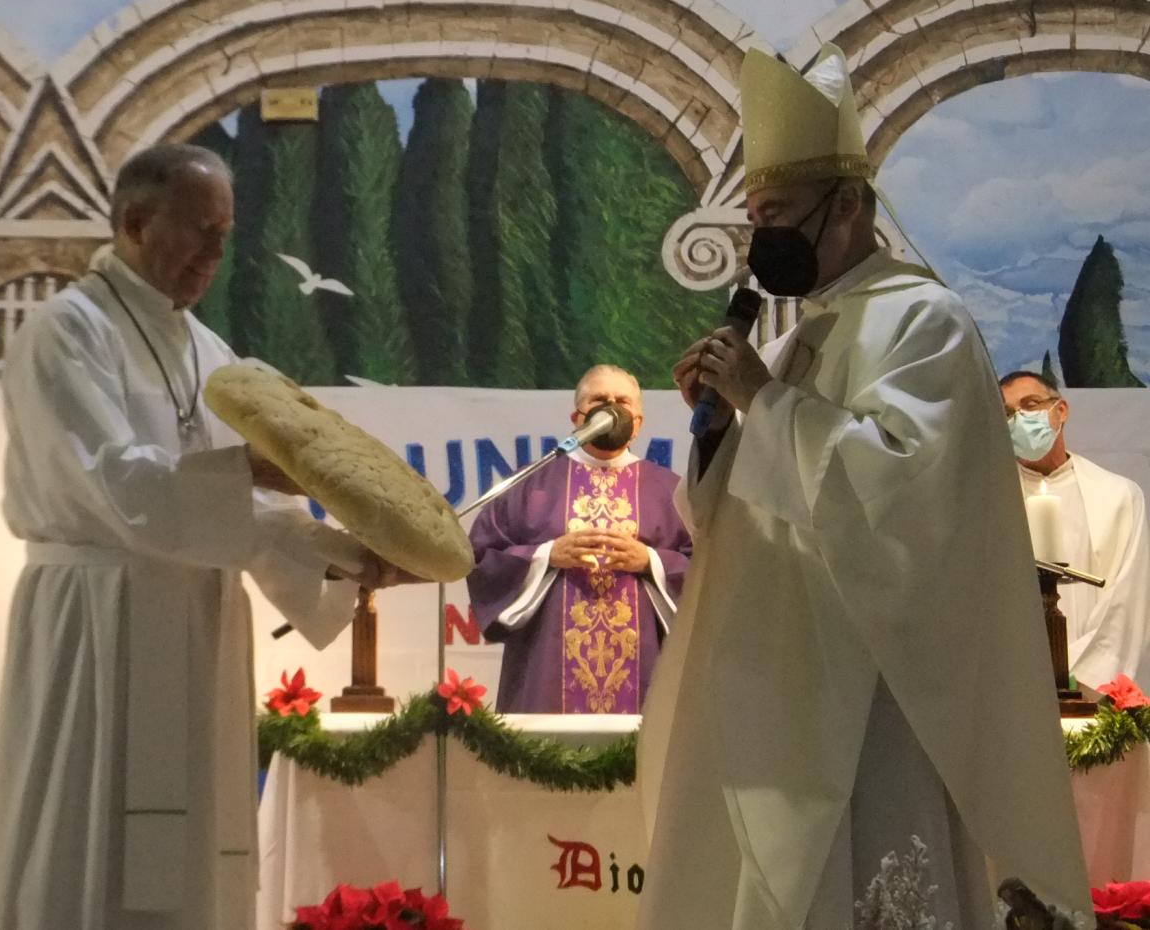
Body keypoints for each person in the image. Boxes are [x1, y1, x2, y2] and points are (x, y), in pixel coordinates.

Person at [636, 45, 1090, 929]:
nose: (763, 236)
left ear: (845, 204)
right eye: (755, 215)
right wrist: (726, 431)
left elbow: (901, 496)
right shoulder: (810, 331)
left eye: (776, 213)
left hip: (874, 690)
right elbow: (737, 513)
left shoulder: (925, 321)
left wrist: (763, 401)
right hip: (777, 684)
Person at [0, 143, 400, 930]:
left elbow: (247, 516)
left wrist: (352, 558)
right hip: (99, 620)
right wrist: (250, 470)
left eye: (225, 235)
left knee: (193, 857)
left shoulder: (207, 349)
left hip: (196, 619)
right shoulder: (69, 330)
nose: (215, 253)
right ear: (135, 221)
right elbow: (117, 485)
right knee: (83, 846)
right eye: (201, 230)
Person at [465, 365, 690, 713]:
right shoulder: (532, 484)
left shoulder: (671, 491)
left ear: (639, 422)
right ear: (578, 416)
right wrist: (546, 556)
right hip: (546, 672)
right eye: (600, 400)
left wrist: (651, 562)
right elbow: (480, 558)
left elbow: (708, 566)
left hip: (645, 670)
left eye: (622, 402)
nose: (612, 409)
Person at [1002, 369, 1150, 690]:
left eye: (1030, 405)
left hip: (1092, 693)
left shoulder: (1119, 497)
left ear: (1061, 411)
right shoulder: (991, 501)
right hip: (1011, 687)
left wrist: (1069, 678)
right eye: (1008, 414)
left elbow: (1125, 608)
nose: (1019, 420)